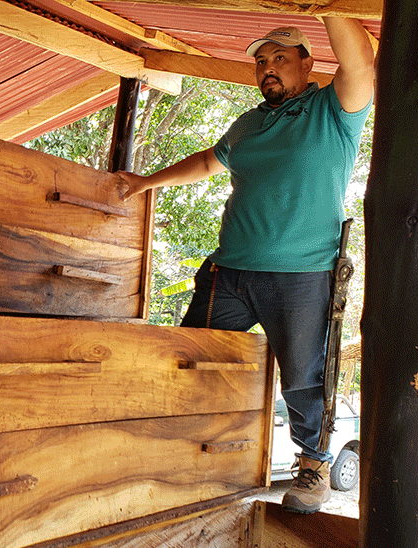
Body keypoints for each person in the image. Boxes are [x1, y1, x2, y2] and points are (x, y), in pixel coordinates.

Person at [118, 18, 375, 514]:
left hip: (302, 275)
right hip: (230, 273)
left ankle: (314, 465)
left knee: (303, 377)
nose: (267, 68)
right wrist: (144, 182)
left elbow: (361, 63)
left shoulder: (334, 111)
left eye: (280, 58)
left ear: (308, 64)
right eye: (261, 61)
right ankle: (180, 452)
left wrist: (329, 9)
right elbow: (208, 163)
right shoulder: (248, 125)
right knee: (189, 361)